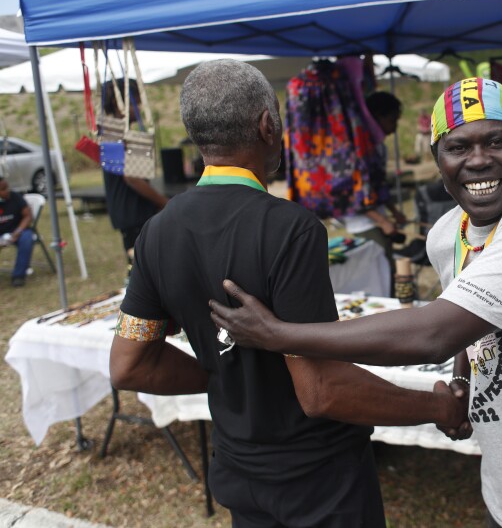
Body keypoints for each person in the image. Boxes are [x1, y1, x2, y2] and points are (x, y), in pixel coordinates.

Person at [210, 77, 502, 527]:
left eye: (497, 142)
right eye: (458, 147)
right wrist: (460, 382)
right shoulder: (446, 233)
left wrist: (279, 335)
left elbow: (436, 332)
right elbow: (465, 319)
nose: (479, 160)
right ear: (437, 158)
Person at [109, 60, 465, 527]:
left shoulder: (156, 233)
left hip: (239, 469)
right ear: (267, 125)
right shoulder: (288, 228)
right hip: (317, 480)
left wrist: (220, 374)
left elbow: (128, 364)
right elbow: (320, 392)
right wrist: (437, 406)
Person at [340, 91, 407, 290]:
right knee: (382, 274)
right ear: (377, 117)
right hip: (362, 224)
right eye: (392, 120)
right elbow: (353, 193)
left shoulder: (378, 147)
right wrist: (383, 221)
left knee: (388, 269)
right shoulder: (355, 148)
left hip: (377, 220)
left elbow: (379, 185)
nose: (394, 128)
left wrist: (393, 211)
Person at [101, 79, 168, 268]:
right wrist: (163, 202)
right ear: (118, 103)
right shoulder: (113, 136)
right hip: (132, 214)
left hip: (137, 212)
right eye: (134, 103)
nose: (138, 108)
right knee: (142, 266)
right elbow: (132, 178)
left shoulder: (118, 133)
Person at [0, 177, 34, 287]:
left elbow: (28, 216)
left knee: (27, 238)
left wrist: (18, 231)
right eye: (3, 189)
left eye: (7, 187)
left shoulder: (15, 197)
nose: (7, 191)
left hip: (17, 231)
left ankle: (18, 276)